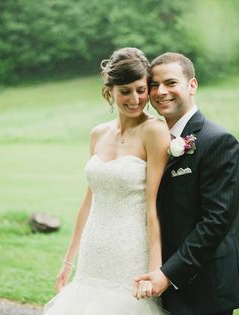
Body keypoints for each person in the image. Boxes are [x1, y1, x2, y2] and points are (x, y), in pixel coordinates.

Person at [44, 47, 170, 315]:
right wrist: (69, 259)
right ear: (109, 92)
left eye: (140, 90)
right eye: (125, 91)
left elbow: (152, 207)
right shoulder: (97, 134)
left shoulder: (155, 132)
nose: (135, 99)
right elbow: (89, 200)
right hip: (94, 248)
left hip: (130, 248)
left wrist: (156, 269)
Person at [133, 52, 239, 315]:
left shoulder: (219, 142)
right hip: (159, 280)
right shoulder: (154, 140)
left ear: (192, 85)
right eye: (154, 85)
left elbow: (215, 223)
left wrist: (168, 274)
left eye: (171, 83)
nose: (161, 92)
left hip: (204, 287)